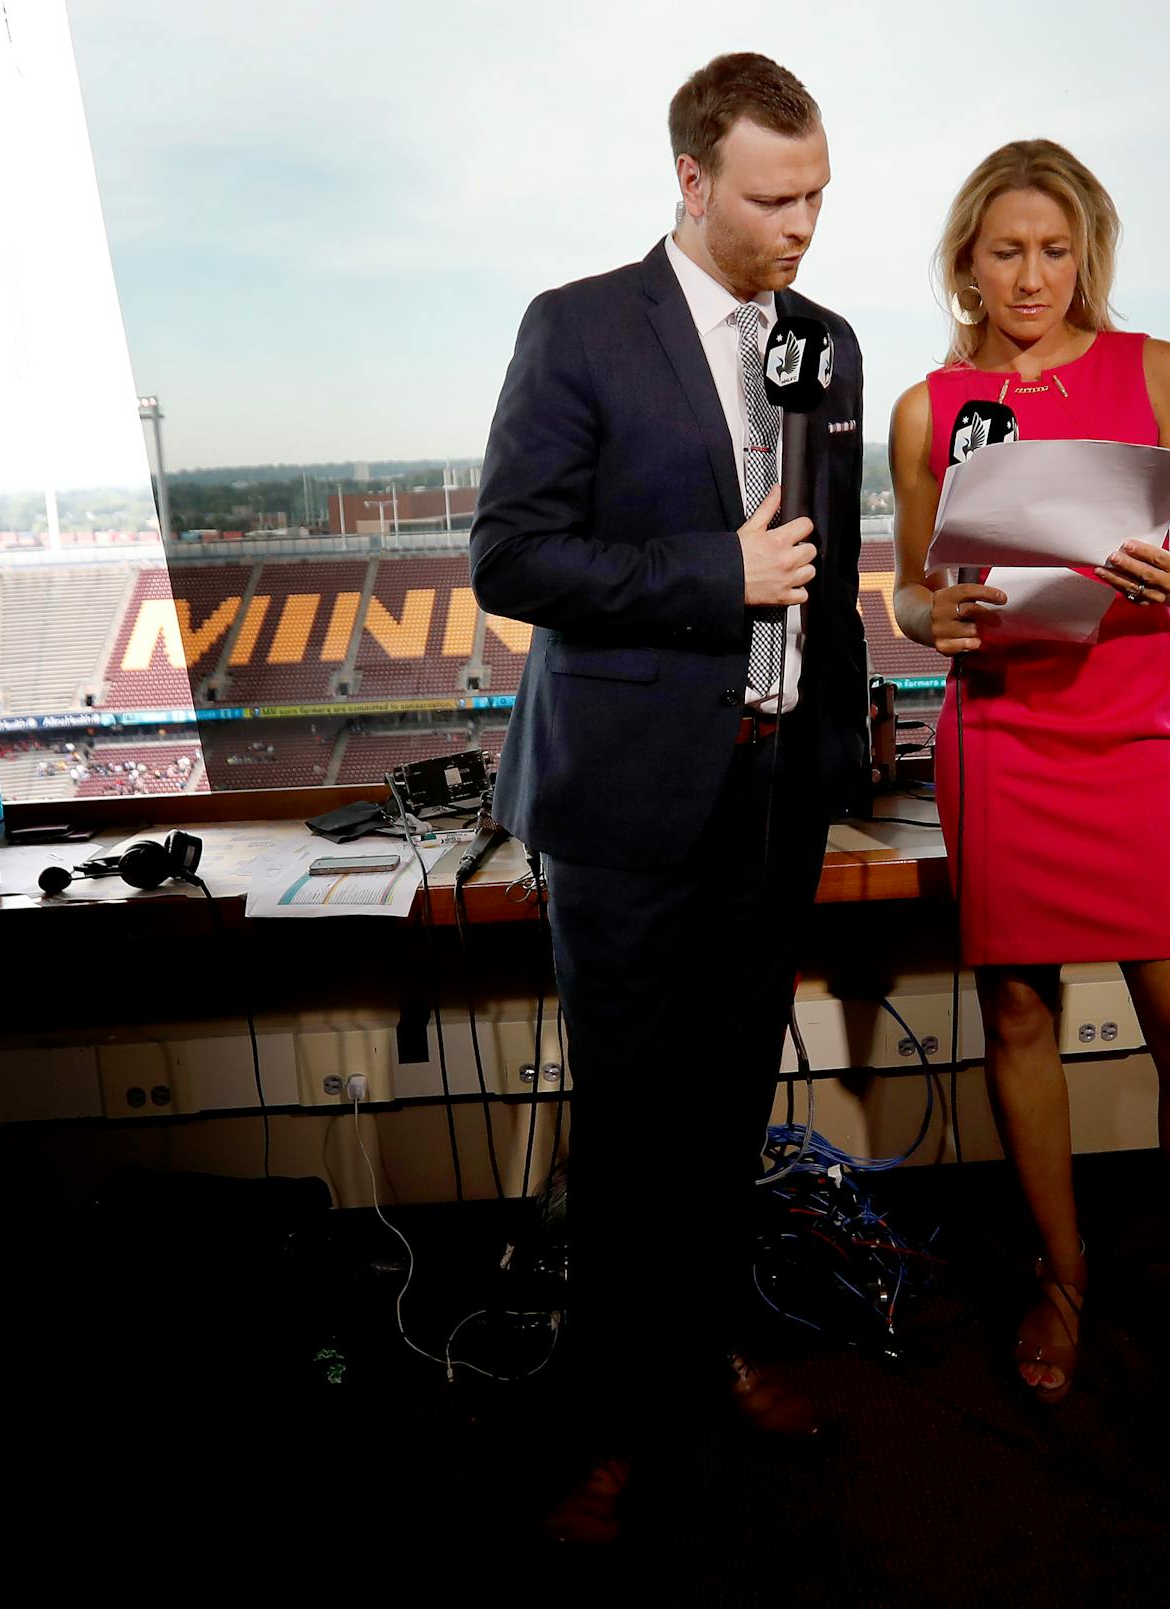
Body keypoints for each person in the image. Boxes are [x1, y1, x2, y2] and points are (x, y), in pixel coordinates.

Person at [470, 52, 870, 1541]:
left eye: (820, 193)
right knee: (631, 1132)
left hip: (774, 801)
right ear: (692, 181)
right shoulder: (577, 329)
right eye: (775, 198)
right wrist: (720, 572)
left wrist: (839, 752)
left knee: (723, 1120)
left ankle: (709, 1350)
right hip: (629, 811)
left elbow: (826, 578)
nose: (803, 226)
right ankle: (605, 1418)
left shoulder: (824, 345)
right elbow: (511, 560)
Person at [888, 139, 1170, 1431]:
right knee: (1022, 1022)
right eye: (1008, 249)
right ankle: (1061, 1282)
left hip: (1134, 732)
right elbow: (912, 591)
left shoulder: (1154, 369)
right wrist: (937, 612)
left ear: (1090, 256)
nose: (1033, 275)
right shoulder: (929, 405)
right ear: (967, 258)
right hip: (1003, 733)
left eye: (1057, 250)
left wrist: (1162, 575)